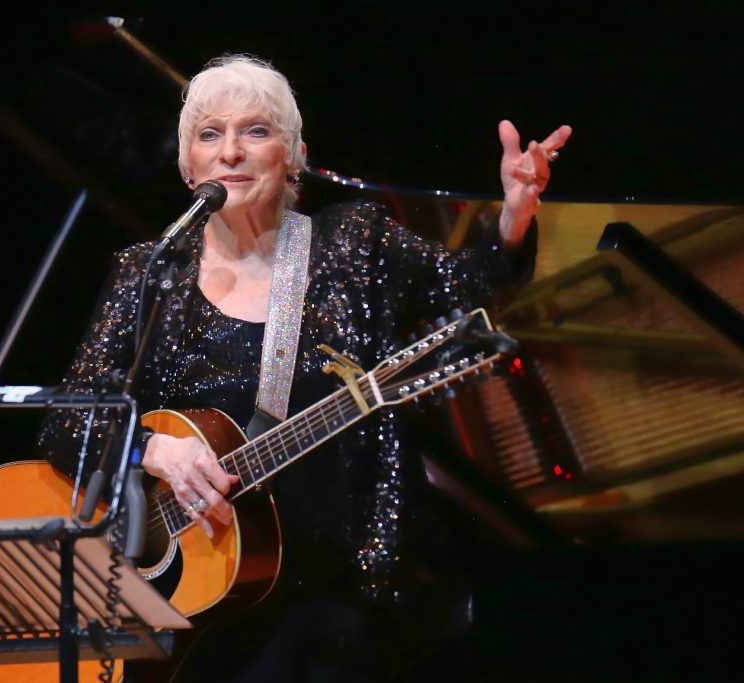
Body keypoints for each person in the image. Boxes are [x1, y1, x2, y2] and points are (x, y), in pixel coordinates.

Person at [38, 54, 571, 682]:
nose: (231, 151)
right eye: (210, 135)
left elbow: (470, 283)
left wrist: (514, 215)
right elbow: (68, 424)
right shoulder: (149, 273)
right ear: (189, 166)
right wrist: (153, 452)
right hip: (214, 606)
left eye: (256, 132)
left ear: (293, 156)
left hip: (349, 591)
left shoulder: (351, 243)